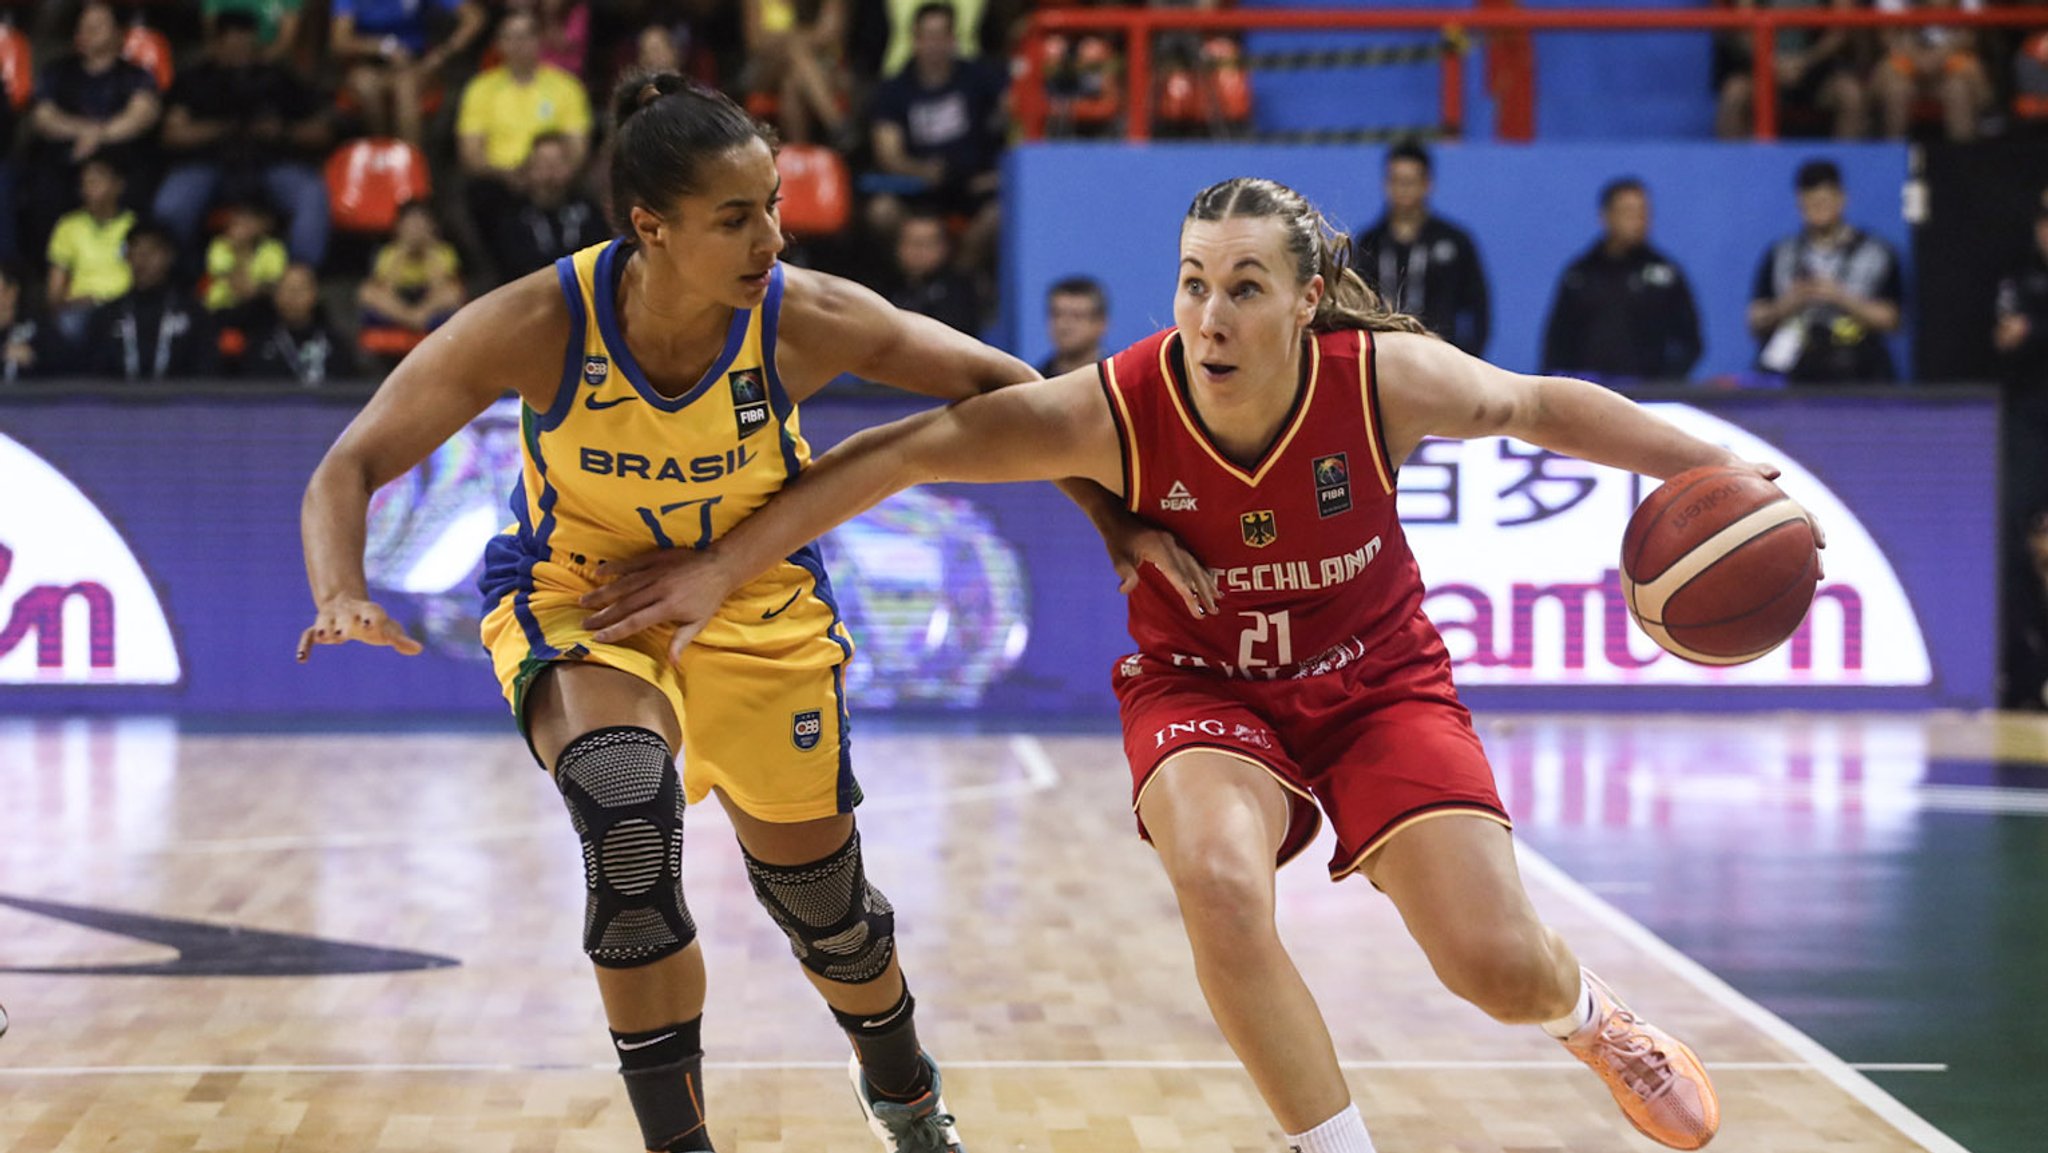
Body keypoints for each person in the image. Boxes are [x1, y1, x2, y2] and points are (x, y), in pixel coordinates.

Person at [586, 176, 1771, 1153]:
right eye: (1193, 284)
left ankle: (1591, 1019)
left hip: (1375, 678)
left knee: (1495, 965)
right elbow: (904, 452)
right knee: (1214, 874)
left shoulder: (1379, 381)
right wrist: (721, 566)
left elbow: (1535, 405)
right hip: (1205, 688)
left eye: (1245, 288)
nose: (1210, 315)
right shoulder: (1121, 404)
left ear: (1307, 300)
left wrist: (1703, 467)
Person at [296, 74, 1179, 1153]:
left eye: (771, 205)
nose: (769, 235)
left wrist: (1111, 525)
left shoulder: (805, 317)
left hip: (755, 601)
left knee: (827, 909)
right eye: (735, 217)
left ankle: (901, 1088)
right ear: (649, 227)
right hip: (586, 597)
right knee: (624, 815)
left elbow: (1006, 389)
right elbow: (352, 463)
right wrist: (341, 589)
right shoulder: (537, 322)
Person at [152, 10, 332, 271]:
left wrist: (283, 131)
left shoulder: (278, 77)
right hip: (209, 163)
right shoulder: (195, 79)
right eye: (233, 45)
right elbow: (173, 134)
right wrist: (223, 128)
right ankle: (182, 275)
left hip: (270, 162)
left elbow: (321, 131)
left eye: (247, 45)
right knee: (171, 206)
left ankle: (300, 275)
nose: (241, 53)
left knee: (311, 193)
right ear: (217, 44)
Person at [863, 2, 1007, 280]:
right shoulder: (894, 89)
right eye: (926, 36)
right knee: (881, 212)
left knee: (998, 214)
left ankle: (958, 283)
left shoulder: (982, 78)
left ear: (953, 40)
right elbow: (888, 153)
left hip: (973, 187)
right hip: (918, 189)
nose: (934, 45)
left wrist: (993, 177)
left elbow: (1013, 120)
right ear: (914, 41)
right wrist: (924, 172)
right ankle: (911, 287)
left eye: (941, 36)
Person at [1748, 159, 1902, 383]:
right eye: (1810, 203)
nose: (1817, 210)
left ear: (1841, 199)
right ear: (1799, 203)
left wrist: (1840, 297)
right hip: (1795, 369)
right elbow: (1755, 319)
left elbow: (1892, 320)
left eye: (1824, 202)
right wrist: (1789, 303)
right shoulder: (1781, 253)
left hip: (1857, 368)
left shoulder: (1876, 253)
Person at [1540, 178, 1702, 384]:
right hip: (1589, 394)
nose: (1638, 221)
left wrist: (1664, 383)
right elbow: (1557, 340)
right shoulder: (1580, 274)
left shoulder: (1665, 274)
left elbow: (1689, 342)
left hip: (1649, 396)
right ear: (1606, 216)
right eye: (1629, 212)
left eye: (1643, 213)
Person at [1352, 140, 1489, 356]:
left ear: (1427, 184)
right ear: (1386, 184)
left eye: (1410, 181)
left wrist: (1468, 356)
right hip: (1384, 358)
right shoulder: (1370, 243)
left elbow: (1479, 308)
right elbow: (1354, 303)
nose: (1403, 189)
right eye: (1396, 180)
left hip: (1442, 358)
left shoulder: (1455, 241)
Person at [1713, 0, 1865, 140]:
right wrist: (1771, 62)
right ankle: (1733, 166)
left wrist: (1806, 62)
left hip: (1817, 70)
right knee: (1735, 94)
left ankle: (1847, 164)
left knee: (1850, 95)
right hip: (1764, 70)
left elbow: (1840, 31)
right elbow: (1743, 28)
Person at [85, 221, 217, 381]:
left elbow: (206, 375)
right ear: (127, 257)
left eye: (152, 251)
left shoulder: (194, 315)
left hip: (180, 404)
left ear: (170, 256)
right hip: (119, 404)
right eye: (136, 250)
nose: (143, 259)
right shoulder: (107, 316)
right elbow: (92, 379)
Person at [492, 133, 608, 283]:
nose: (550, 172)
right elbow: (513, 268)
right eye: (543, 163)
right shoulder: (513, 217)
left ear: (571, 168)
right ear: (528, 169)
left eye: (558, 163)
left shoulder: (589, 212)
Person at [244, 262, 350, 384]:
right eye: (287, 289)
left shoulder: (335, 344)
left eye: (300, 290)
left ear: (314, 294)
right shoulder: (259, 344)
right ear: (275, 296)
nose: (293, 297)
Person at [885, 211, 979, 335]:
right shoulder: (886, 287)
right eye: (912, 242)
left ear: (944, 247)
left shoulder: (959, 291)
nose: (918, 251)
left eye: (926, 243)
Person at [1038, 275, 1108, 377]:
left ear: (1101, 324)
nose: (1064, 325)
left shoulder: (1118, 382)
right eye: (1057, 314)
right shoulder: (1033, 383)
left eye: (1077, 316)